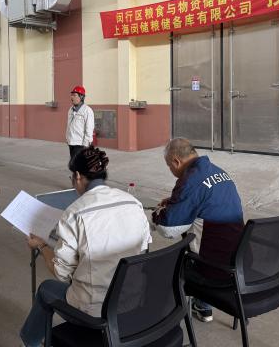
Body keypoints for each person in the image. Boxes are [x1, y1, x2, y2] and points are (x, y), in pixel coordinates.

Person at [20, 147, 151, 347]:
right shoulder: (134, 203)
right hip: (132, 298)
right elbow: (144, 250)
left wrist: (42, 245)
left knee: (46, 289)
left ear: (78, 176)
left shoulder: (75, 213)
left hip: (95, 310)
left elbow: (62, 273)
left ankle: (29, 341)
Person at [152, 138, 244, 323]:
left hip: (213, 271)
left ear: (176, 161)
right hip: (239, 262)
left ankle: (161, 322)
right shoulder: (219, 172)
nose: (171, 171)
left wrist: (157, 212)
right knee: (207, 237)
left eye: (169, 166)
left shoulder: (190, 180)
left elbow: (168, 229)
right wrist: (176, 202)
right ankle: (203, 306)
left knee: (156, 268)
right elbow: (205, 201)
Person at [65, 85, 94, 160]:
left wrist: (86, 144)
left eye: (74, 95)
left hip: (80, 144)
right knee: (73, 163)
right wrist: (67, 138)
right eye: (71, 95)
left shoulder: (87, 110)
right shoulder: (70, 110)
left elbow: (89, 128)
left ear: (81, 97)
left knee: (79, 164)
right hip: (71, 142)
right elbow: (69, 125)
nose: (72, 97)